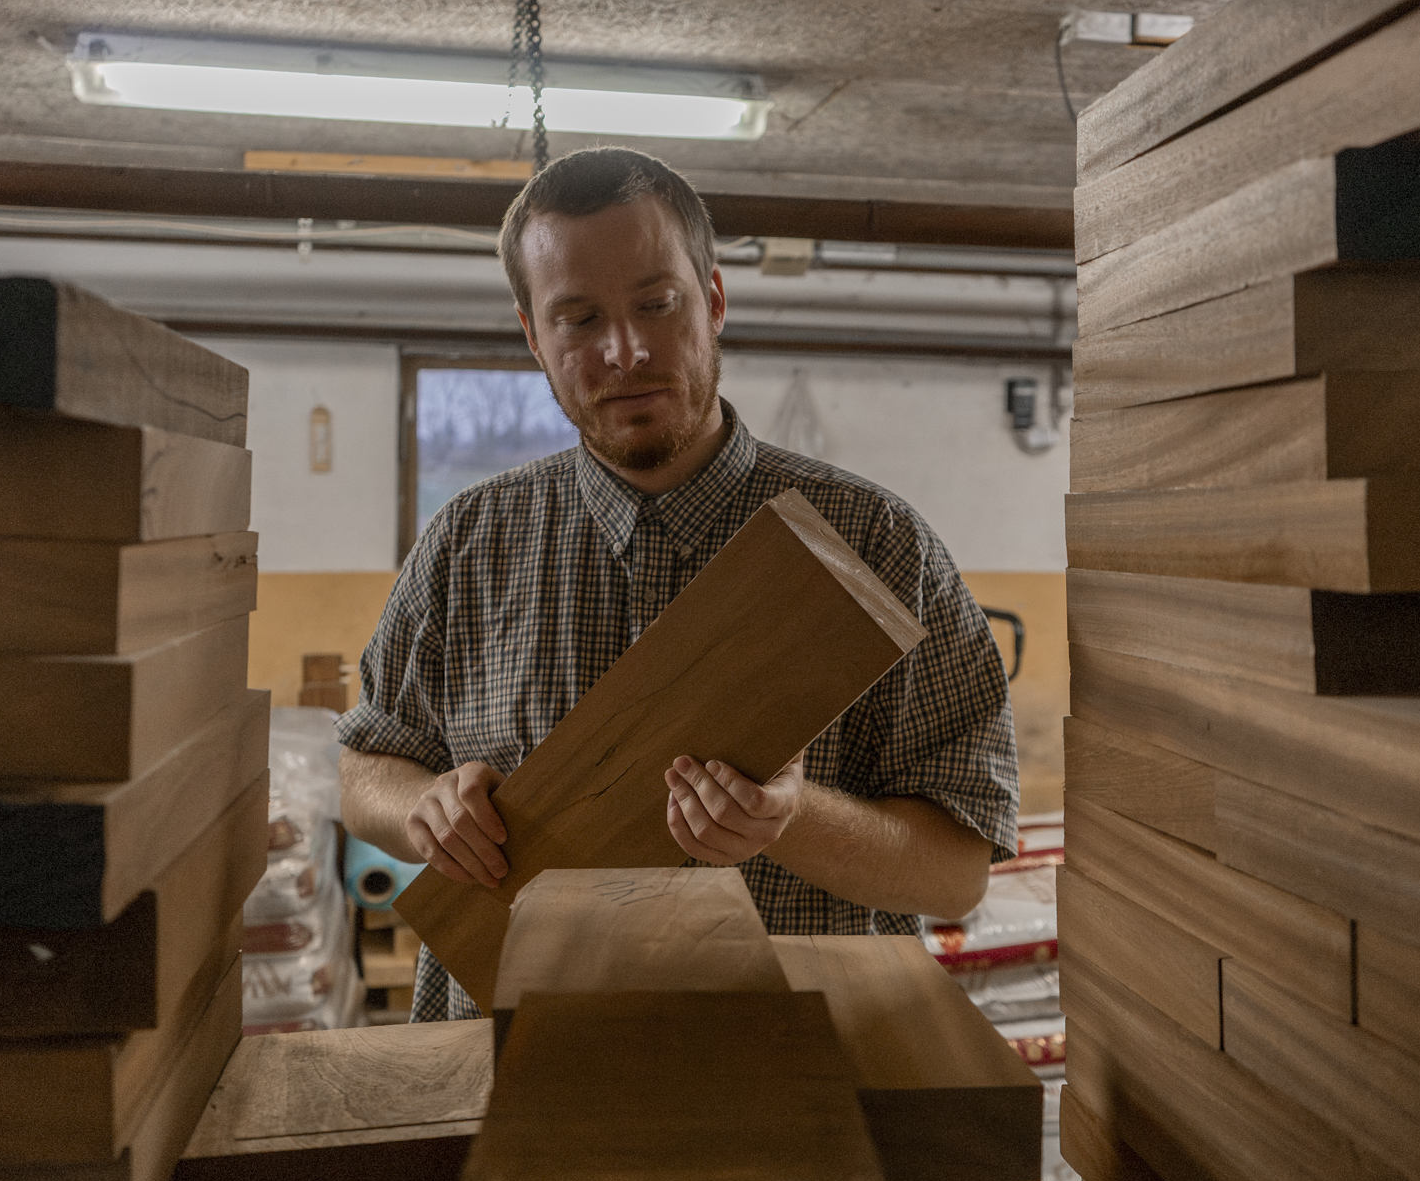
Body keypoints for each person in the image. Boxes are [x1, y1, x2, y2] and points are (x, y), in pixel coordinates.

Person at [337, 146, 1017, 1021]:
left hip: (791, 1071)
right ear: (533, 336)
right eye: (578, 319)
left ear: (716, 299)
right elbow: (361, 766)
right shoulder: (468, 543)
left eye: (657, 304)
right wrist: (421, 805)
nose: (626, 351)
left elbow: (957, 873)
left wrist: (792, 818)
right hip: (510, 1064)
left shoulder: (877, 546)